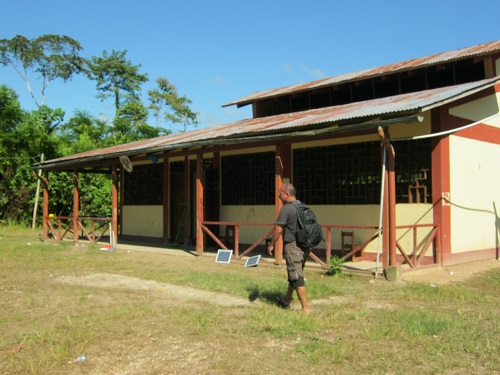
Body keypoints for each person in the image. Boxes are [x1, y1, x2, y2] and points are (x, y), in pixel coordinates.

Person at [267, 183, 311, 315]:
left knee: (296, 276)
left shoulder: (286, 209)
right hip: (305, 246)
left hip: (293, 246)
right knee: (295, 272)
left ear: (286, 195)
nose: (279, 196)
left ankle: (305, 309)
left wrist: (271, 244)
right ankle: (286, 300)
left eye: (280, 193)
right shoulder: (303, 206)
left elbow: (278, 229)